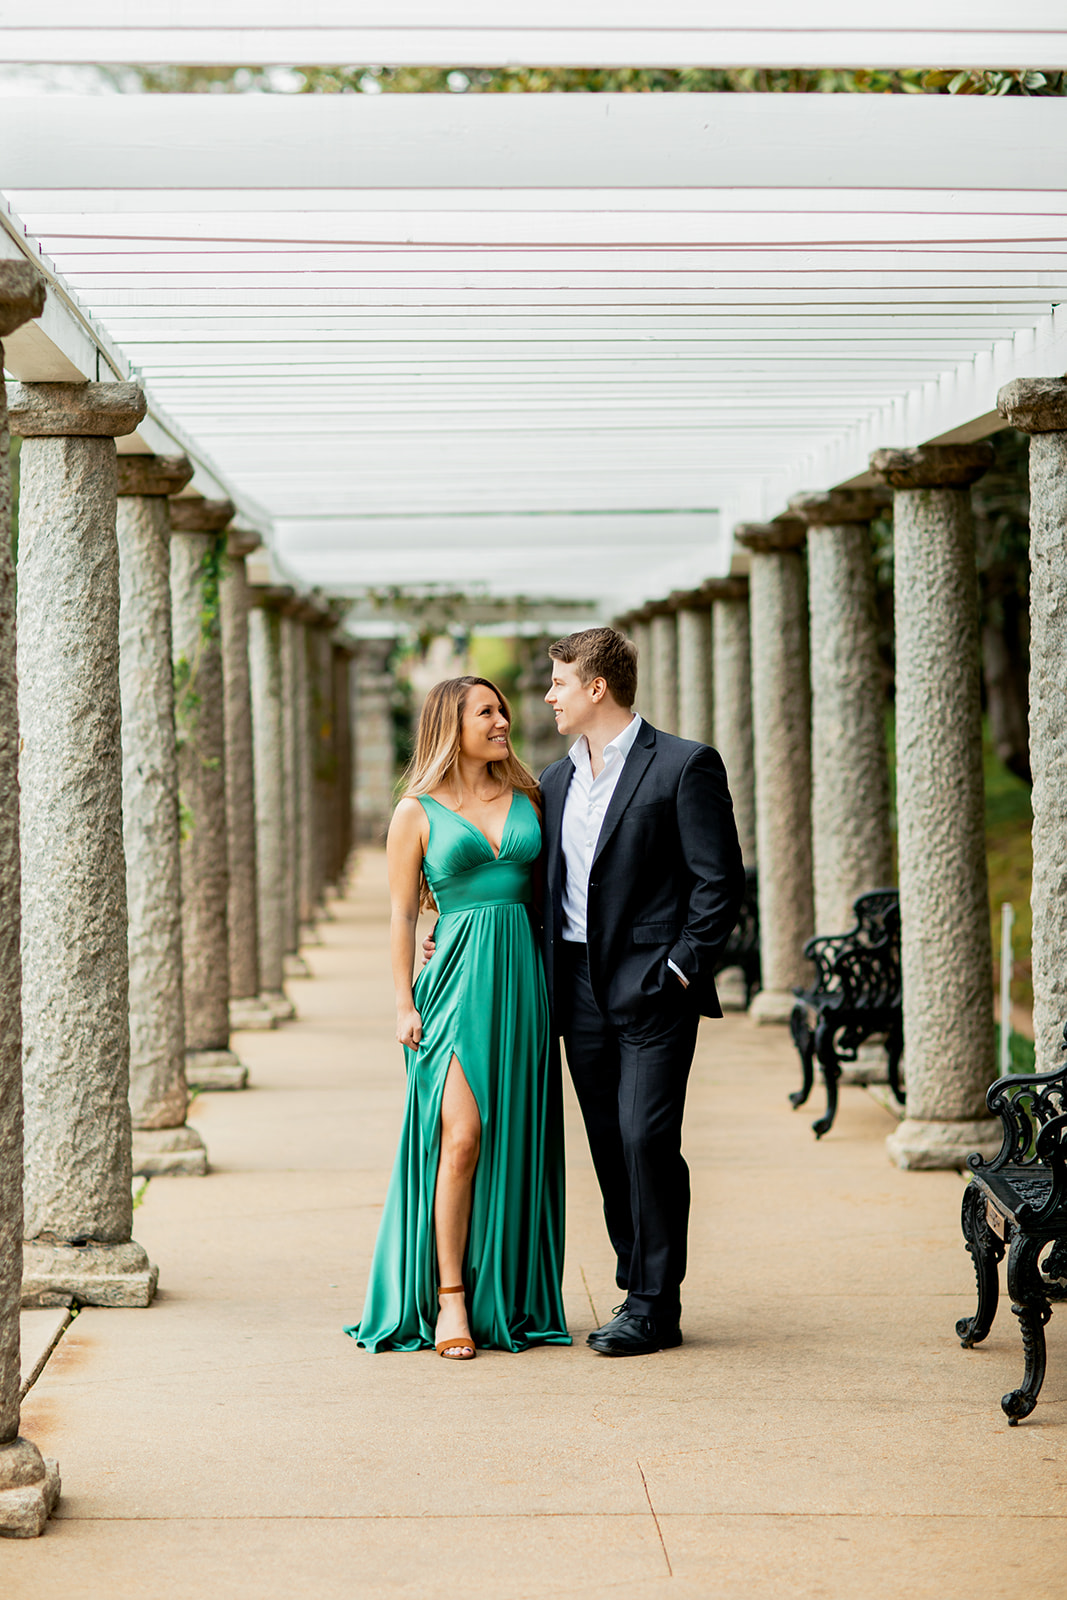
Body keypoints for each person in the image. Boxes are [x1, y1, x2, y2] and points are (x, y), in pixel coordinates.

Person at [345, 676, 570, 1359]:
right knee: (462, 1137)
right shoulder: (414, 811)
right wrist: (402, 1000)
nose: (501, 719)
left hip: (522, 984)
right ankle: (449, 1300)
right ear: (451, 724)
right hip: (451, 988)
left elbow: (555, 889)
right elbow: (401, 912)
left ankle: (508, 1294)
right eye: (486, 711)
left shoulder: (532, 796)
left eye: (502, 708)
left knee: (514, 1139)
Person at [541, 627, 744, 1356]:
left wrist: (679, 970)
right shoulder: (553, 781)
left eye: (559, 682)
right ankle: (637, 1279)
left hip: (655, 990)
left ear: (597, 687)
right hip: (575, 989)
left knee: (646, 1137)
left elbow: (718, 884)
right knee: (607, 1144)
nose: (548, 695)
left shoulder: (684, 765)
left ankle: (656, 1303)